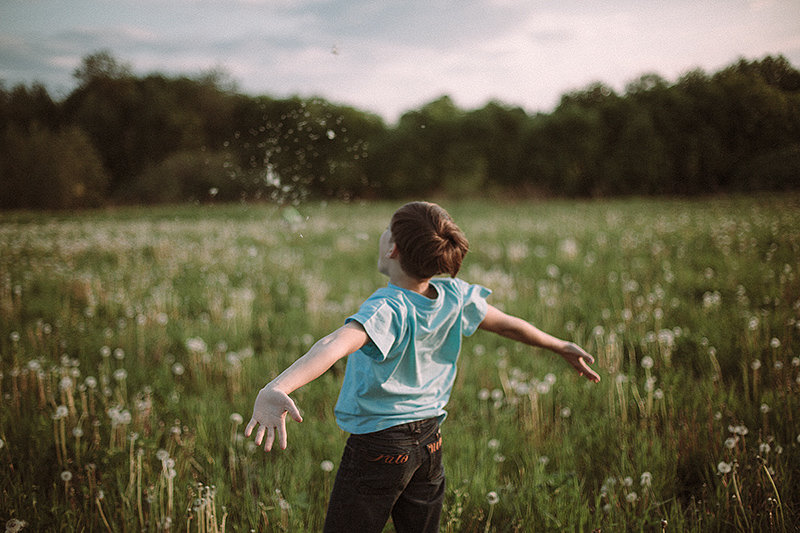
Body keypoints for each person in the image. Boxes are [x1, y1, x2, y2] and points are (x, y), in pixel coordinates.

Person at [244, 201, 600, 532]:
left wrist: (278, 386)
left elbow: (332, 345)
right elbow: (508, 324)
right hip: (429, 441)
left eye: (387, 230)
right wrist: (559, 345)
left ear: (393, 249)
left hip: (379, 444)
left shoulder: (387, 308)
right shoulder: (456, 297)